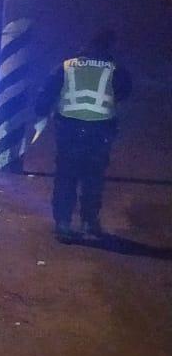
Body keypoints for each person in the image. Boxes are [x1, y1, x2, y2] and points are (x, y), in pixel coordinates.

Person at [34, 28, 132, 241]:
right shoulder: (115, 70)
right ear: (109, 47)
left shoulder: (67, 66)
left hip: (69, 130)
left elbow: (46, 93)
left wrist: (41, 112)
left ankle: (63, 223)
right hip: (101, 130)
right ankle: (89, 221)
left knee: (66, 175)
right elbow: (124, 92)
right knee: (93, 177)